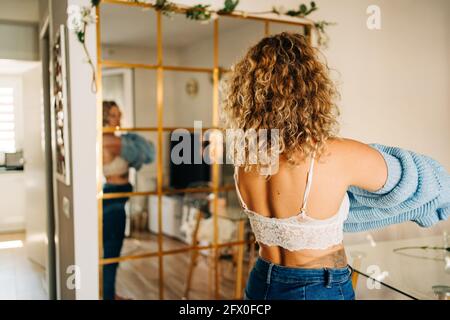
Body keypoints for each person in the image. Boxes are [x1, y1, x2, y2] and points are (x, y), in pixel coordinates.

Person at [222, 32, 450, 300]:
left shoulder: (245, 160)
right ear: (310, 90)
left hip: (262, 281)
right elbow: (422, 181)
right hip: (319, 286)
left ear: (247, 94)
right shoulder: (334, 153)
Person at [102, 101, 155, 300]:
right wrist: (135, 143)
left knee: (112, 250)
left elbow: (141, 156)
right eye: (114, 115)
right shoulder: (111, 141)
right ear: (105, 117)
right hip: (114, 200)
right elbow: (147, 154)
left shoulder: (113, 139)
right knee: (112, 252)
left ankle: (109, 294)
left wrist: (135, 147)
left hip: (116, 197)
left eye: (119, 114)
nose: (119, 118)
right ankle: (108, 296)